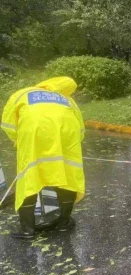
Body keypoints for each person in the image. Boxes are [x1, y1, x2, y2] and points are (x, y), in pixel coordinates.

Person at [1, 77, 85, 239]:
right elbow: (80, 130)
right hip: (66, 140)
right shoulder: (68, 100)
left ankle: (27, 230)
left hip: (33, 136)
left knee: (29, 177)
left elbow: (7, 124)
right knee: (67, 177)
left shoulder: (23, 93)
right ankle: (64, 223)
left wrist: (19, 139)